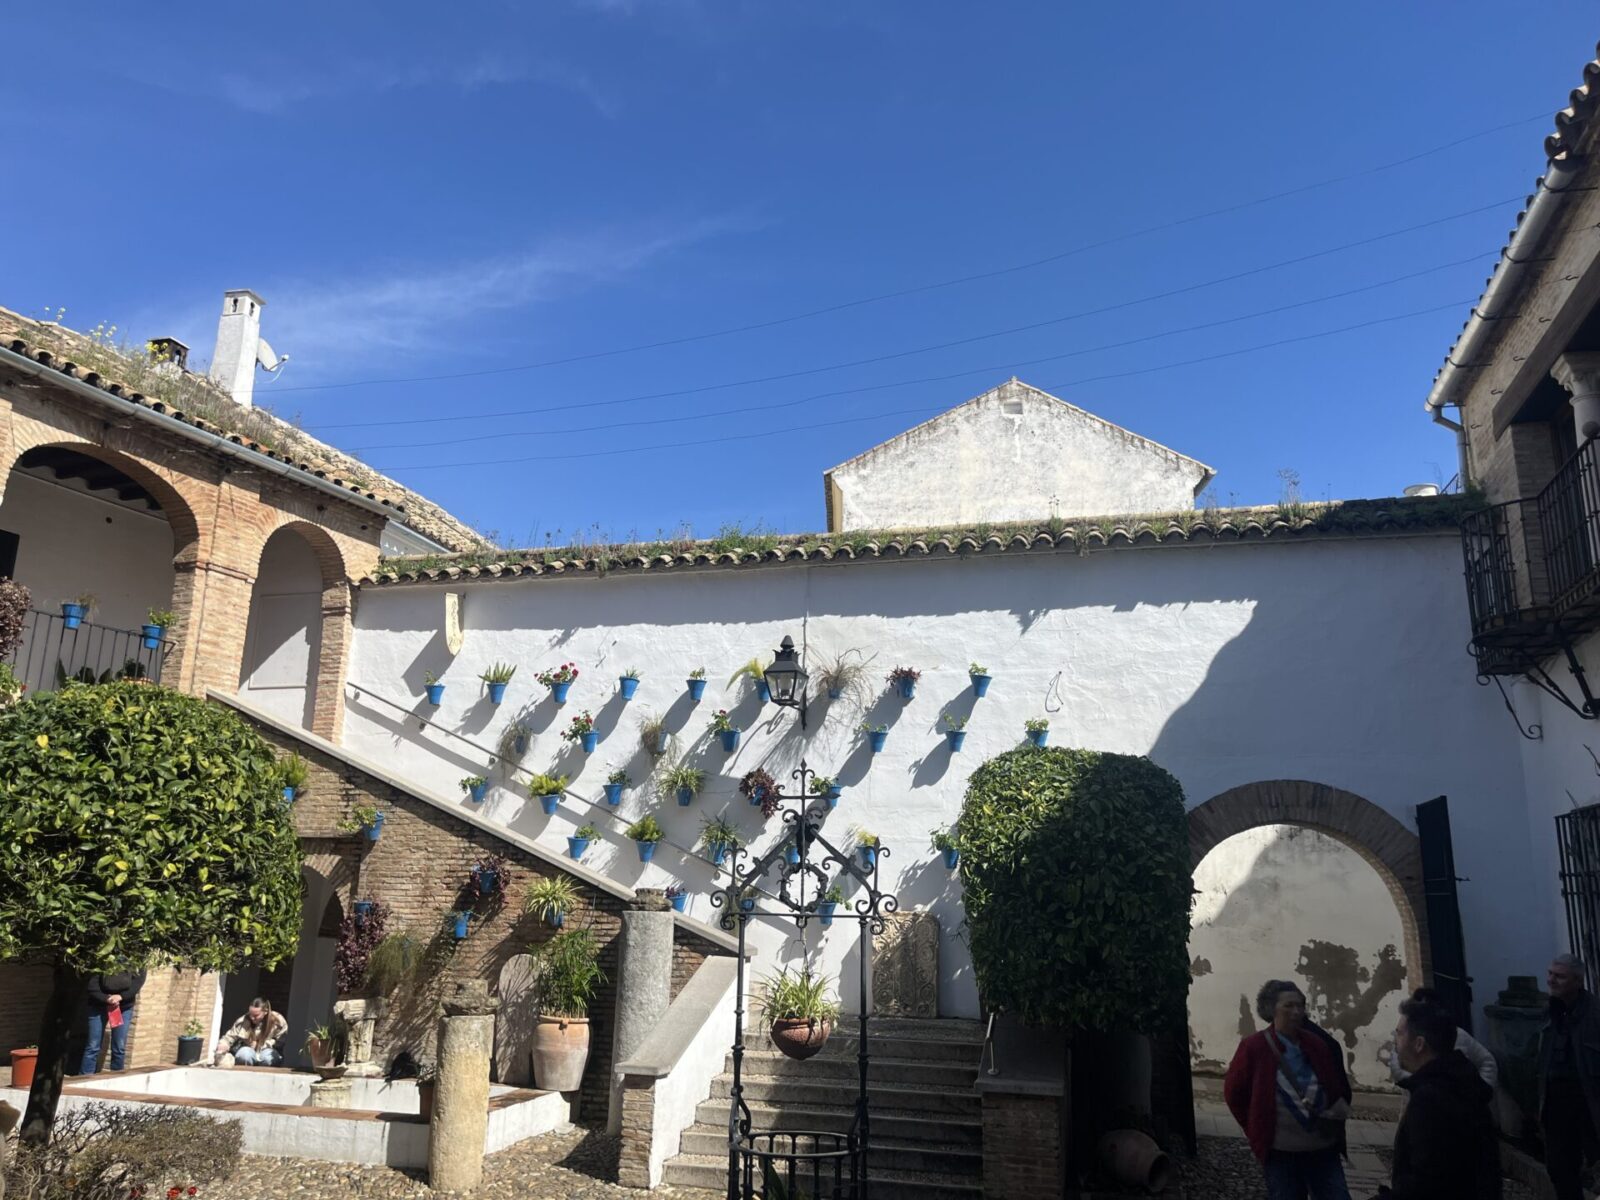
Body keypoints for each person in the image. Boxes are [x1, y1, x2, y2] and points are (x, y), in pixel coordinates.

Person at [1224, 979, 1353, 1200]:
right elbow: (1234, 1094)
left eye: (1300, 1005)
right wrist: (1256, 1128)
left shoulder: (1317, 1044)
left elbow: (1335, 1086)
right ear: (1271, 1009)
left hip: (1322, 1148)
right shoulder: (1254, 1047)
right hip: (1281, 1152)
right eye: (1288, 1006)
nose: (1296, 1012)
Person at [1377, 997, 1500, 1199]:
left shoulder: (1431, 1098)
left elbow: (1425, 1182)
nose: (1396, 1042)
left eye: (1399, 1033)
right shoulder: (1465, 1084)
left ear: (1419, 1044)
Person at [1539, 954, 1600, 1200]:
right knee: (1559, 1168)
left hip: (1588, 1104)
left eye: (1560, 976)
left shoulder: (1595, 1015)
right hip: (1556, 1105)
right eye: (1550, 974)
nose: (1551, 980)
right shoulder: (1549, 1012)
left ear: (1577, 981)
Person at [1386, 986, 1498, 1089]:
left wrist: (1481, 1092)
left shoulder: (1456, 1037)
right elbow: (1398, 1067)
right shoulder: (1408, 1033)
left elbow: (1488, 1062)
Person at [80, 969, 146, 1075]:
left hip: (123, 1007)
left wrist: (121, 997)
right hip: (98, 1005)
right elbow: (92, 983)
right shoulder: (102, 960)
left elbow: (138, 981)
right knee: (93, 1046)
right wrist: (106, 998)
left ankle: (116, 1077)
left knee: (119, 1047)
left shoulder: (137, 961)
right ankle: (84, 1079)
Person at [213, 998, 288, 1067]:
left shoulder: (278, 1022)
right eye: (250, 1014)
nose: (252, 1018)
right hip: (249, 1050)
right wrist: (223, 1045)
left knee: (268, 1058)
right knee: (244, 1055)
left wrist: (261, 1045)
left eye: (256, 1015)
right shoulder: (243, 1021)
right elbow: (230, 1036)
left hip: (268, 1050)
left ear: (265, 1011)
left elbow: (281, 1040)